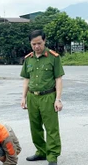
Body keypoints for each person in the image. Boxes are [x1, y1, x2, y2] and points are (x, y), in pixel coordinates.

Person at [20, 30, 64, 165]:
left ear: (44, 41)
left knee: (51, 128)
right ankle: (41, 152)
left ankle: (52, 156)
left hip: (48, 96)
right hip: (32, 97)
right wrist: (23, 97)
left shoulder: (53, 57)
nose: (36, 46)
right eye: (33, 44)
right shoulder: (28, 59)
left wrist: (58, 99)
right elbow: (26, 79)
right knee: (35, 127)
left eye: (39, 43)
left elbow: (58, 79)